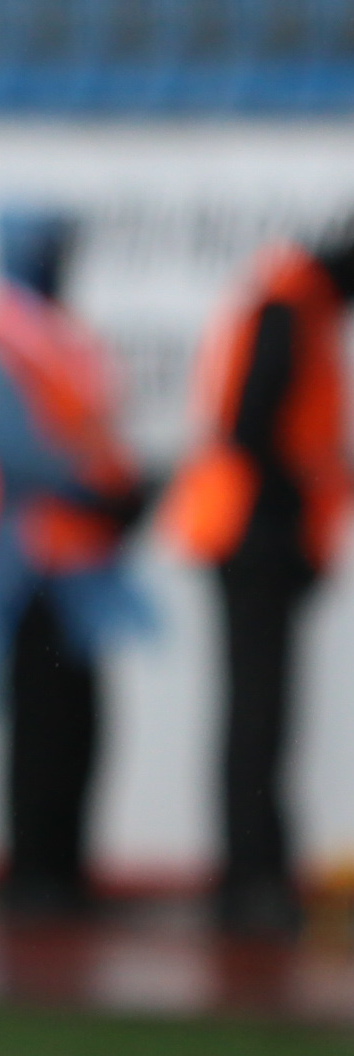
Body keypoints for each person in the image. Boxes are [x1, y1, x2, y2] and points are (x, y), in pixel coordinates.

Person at [0, 211, 147, 919]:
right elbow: (20, 454)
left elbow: (89, 431)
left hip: (80, 564)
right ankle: (32, 872)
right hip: (24, 565)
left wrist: (120, 490)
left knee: (81, 724)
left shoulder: (60, 340)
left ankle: (67, 868)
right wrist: (100, 492)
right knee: (38, 725)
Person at [160, 229, 354, 939]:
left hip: (256, 538)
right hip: (252, 539)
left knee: (261, 716)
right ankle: (250, 882)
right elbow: (253, 427)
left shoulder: (294, 303)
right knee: (258, 718)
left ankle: (257, 874)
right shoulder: (289, 305)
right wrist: (295, 515)